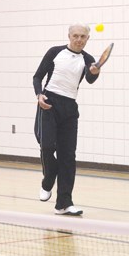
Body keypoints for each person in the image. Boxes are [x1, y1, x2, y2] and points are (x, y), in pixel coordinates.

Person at [33, 23, 100, 216]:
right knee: (46, 146)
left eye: (83, 37)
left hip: (70, 108)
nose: (79, 39)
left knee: (67, 157)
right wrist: (39, 95)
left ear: (88, 39)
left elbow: (90, 78)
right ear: (69, 36)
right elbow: (37, 77)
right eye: (76, 36)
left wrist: (95, 72)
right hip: (48, 102)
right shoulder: (55, 52)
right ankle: (48, 180)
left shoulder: (88, 60)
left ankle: (64, 203)